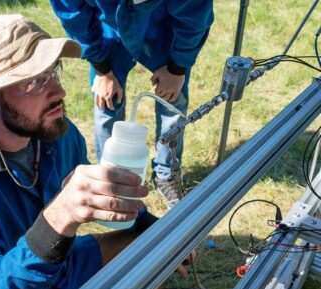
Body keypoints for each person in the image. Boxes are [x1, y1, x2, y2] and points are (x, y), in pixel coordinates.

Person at [0, 14, 195, 289]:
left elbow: (97, 196)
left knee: (153, 253)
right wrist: (60, 216)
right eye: (36, 81)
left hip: (61, 271)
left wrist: (162, 231)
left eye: (53, 72)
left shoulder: (57, 134)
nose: (59, 91)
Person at [50, 0, 214, 208]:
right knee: (106, 98)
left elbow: (194, 16)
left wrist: (177, 67)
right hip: (109, 23)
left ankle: (166, 173)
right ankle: (109, 177)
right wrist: (101, 67)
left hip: (165, 22)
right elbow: (72, 14)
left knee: (172, 95)